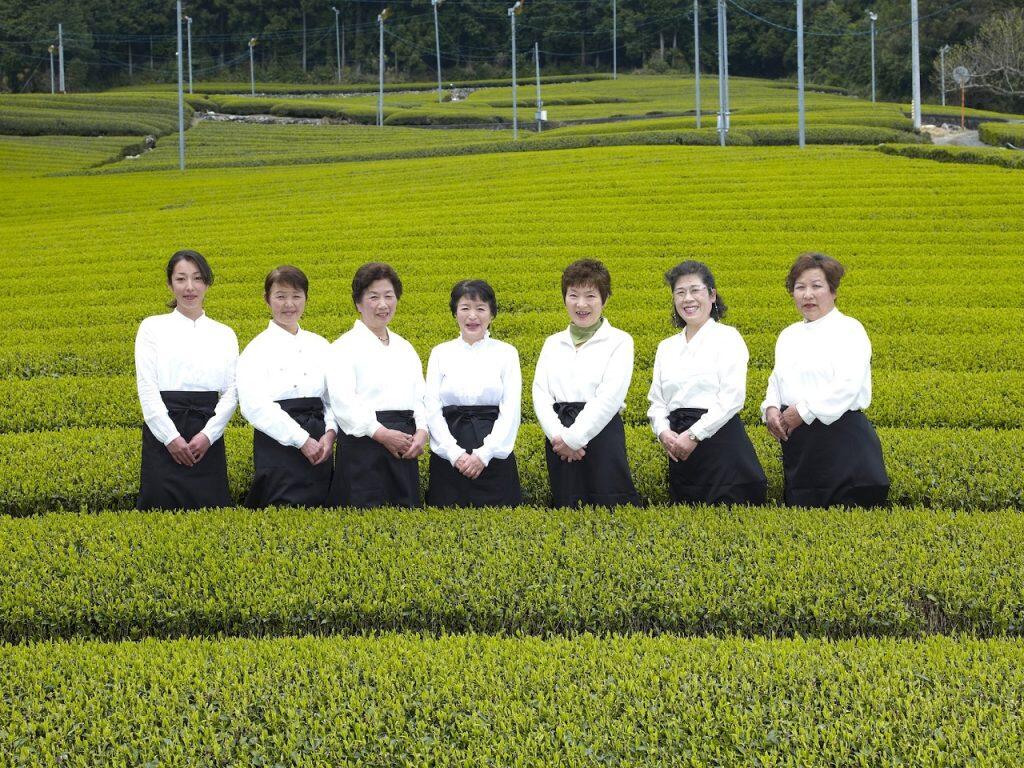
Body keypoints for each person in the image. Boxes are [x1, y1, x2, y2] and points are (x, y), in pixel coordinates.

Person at [761, 252, 890, 507]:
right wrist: (771, 408)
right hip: (800, 444)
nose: (807, 294)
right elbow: (777, 379)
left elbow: (848, 385)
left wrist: (803, 411)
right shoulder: (788, 335)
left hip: (842, 441)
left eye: (816, 286)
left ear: (833, 291)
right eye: (800, 287)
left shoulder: (850, 329)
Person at [648, 260, 767, 505]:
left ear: (712, 295)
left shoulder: (728, 338)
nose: (687, 299)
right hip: (679, 449)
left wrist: (693, 435)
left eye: (695, 290)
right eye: (680, 292)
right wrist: (663, 432)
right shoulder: (666, 347)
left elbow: (732, 398)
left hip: (720, 443)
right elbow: (657, 401)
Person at [532, 259, 642, 508]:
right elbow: (540, 393)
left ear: (605, 299)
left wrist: (574, 439)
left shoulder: (620, 341)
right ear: (565, 298)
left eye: (590, 295)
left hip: (602, 434)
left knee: (611, 506)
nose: (581, 304)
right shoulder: (552, 342)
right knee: (566, 506)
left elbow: (610, 396)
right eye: (574, 295)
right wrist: (558, 437)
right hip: (558, 437)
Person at [135, 249, 238, 510]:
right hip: (163, 435)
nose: (189, 287)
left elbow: (231, 391)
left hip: (208, 435)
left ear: (207, 283)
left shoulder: (224, 334)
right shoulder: (151, 327)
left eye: (197, 278)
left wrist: (208, 435)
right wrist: (171, 438)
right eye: (181, 279)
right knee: (158, 515)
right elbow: (147, 388)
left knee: (212, 515)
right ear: (170, 284)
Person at [325, 262, 427, 508]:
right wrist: (381, 434)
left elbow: (420, 396)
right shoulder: (342, 347)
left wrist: (422, 431)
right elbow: (343, 404)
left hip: (404, 446)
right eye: (373, 297)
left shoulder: (405, 347)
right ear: (358, 304)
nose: (383, 304)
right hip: (364, 450)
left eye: (389, 296)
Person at [236, 265, 336, 508]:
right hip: (277, 443)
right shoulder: (256, 349)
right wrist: (301, 440)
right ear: (267, 300)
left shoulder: (321, 345)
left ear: (306, 299)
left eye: (296, 296)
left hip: (320, 441)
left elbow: (333, 398)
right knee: (281, 510)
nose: (289, 304)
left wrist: (330, 434)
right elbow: (254, 406)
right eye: (281, 296)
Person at [425, 280, 523, 507]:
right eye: (465, 308)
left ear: (492, 314)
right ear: (455, 312)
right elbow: (431, 407)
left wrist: (484, 455)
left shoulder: (506, 353)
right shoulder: (440, 353)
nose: (472, 316)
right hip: (449, 457)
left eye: (480, 308)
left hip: (494, 455)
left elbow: (510, 410)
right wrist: (455, 454)